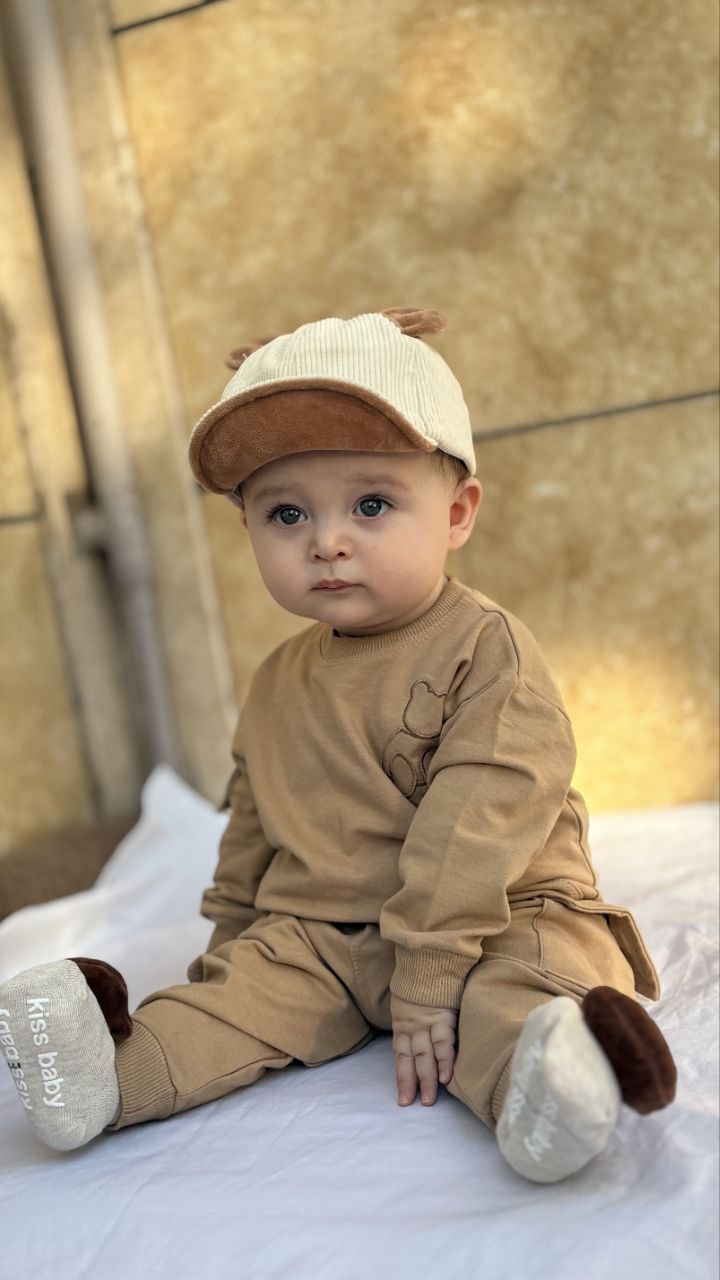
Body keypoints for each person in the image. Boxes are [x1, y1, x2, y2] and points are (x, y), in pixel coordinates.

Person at [0, 307, 676, 1182]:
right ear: (248, 530)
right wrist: (231, 949)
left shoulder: (485, 649)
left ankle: (546, 1087)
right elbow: (254, 823)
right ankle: (104, 1076)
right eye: (286, 513)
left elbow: (480, 819)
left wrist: (429, 975)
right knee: (237, 1000)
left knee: (528, 981)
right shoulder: (278, 679)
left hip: (495, 912)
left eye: (371, 504)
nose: (327, 541)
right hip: (326, 935)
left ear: (457, 512)